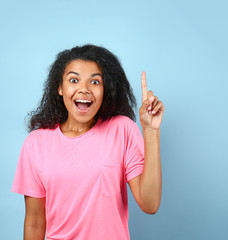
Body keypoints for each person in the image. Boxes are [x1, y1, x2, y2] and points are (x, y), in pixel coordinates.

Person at [11, 44, 164, 240]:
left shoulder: (122, 130)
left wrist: (151, 131)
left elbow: (149, 204)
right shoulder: (36, 143)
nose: (83, 89)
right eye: (73, 80)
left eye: (95, 82)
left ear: (105, 89)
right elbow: (34, 222)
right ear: (60, 88)